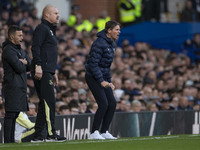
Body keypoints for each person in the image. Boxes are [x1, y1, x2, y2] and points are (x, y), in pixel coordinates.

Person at [31, 5, 66, 142]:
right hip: (42, 69)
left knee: (43, 103)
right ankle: (51, 133)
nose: (58, 15)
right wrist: (39, 65)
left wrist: (53, 71)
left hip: (47, 70)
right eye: (55, 13)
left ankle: (38, 135)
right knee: (49, 101)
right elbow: (36, 47)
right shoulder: (42, 28)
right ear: (46, 15)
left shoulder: (50, 30)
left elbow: (48, 52)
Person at [85, 20, 120, 139]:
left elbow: (106, 66)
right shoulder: (99, 43)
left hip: (103, 76)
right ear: (109, 31)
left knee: (112, 103)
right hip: (93, 76)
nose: (119, 32)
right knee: (103, 104)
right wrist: (101, 81)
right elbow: (93, 64)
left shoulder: (111, 44)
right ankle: (93, 132)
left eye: (119, 30)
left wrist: (109, 81)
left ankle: (104, 131)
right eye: (116, 29)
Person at [2, 25, 31, 143]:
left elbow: (29, 65)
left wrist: (23, 62)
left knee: (14, 114)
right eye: (19, 35)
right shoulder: (8, 50)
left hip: (20, 86)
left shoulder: (20, 50)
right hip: (12, 86)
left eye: (22, 35)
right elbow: (19, 67)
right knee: (10, 115)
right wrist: (23, 63)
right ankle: (8, 141)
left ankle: (10, 141)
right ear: (11, 36)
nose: (22, 37)